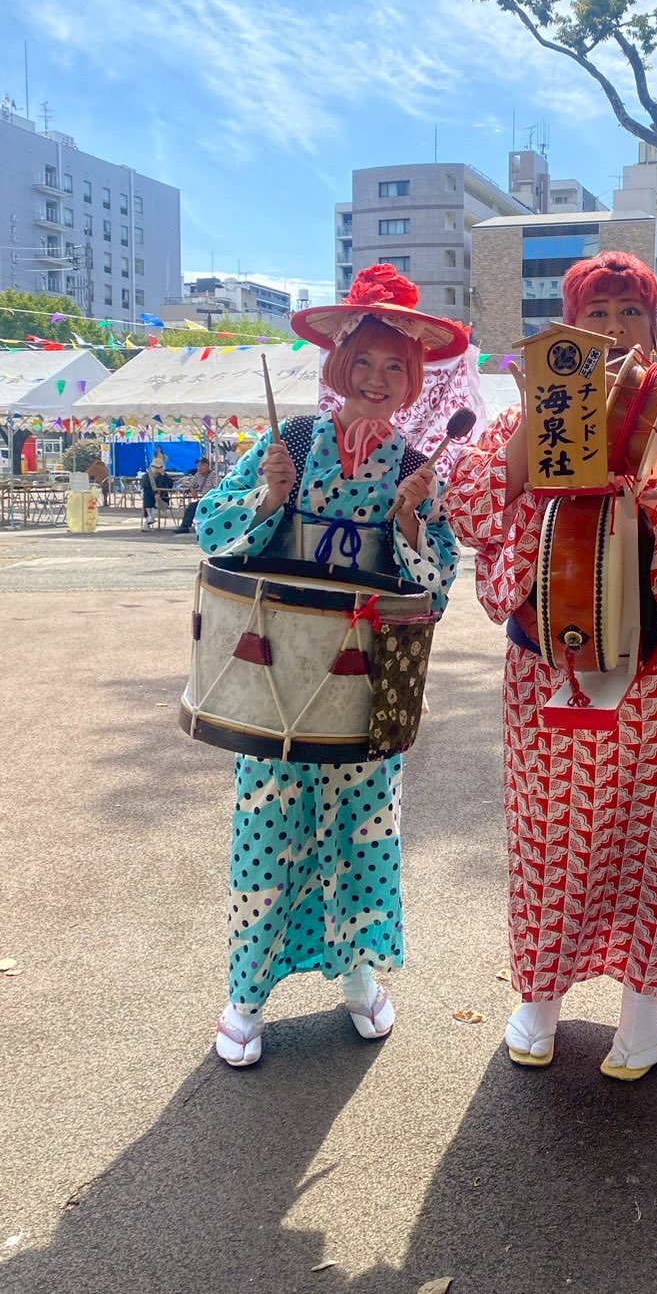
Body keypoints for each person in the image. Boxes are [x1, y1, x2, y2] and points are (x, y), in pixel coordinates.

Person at [447, 251, 657, 1080]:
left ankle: (642, 1008)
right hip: (547, 663)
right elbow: (470, 511)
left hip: (653, 673)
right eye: (598, 314)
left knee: (650, 838)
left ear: (654, 329)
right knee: (547, 835)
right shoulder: (525, 415)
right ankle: (540, 996)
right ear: (570, 330)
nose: (617, 329)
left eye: (632, 313)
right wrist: (536, 422)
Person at [195, 265, 466, 1067]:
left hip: (367, 688)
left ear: (414, 379)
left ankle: (358, 974)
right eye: (364, 362)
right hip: (277, 679)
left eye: (395, 367)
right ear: (338, 365)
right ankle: (246, 993)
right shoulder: (289, 444)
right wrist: (268, 499)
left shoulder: (417, 466)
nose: (377, 380)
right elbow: (211, 529)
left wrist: (411, 521)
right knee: (268, 828)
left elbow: (439, 584)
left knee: (363, 831)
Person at [175, 456, 219, 534]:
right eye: (198, 466)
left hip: (212, 500)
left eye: (202, 465)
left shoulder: (214, 476)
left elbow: (217, 489)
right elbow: (192, 485)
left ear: (207, 466)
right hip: (203, 499)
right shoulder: (197, 475)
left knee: (194, 506)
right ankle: (185, 526)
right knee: (191, 507)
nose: (199, 468)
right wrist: (192, 490)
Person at [140, 451, 172, 529]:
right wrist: (155, 495)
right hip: (151, 499)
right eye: (154, 467)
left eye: (159, 467)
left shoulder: (164, 476)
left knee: (148, 497)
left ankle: (149, 518)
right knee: (146, 495)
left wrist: (163, 475)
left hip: (163, 500)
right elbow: (146, 488)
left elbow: (170, 486)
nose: (156, 469)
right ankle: (149, 516)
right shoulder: (146, 476)